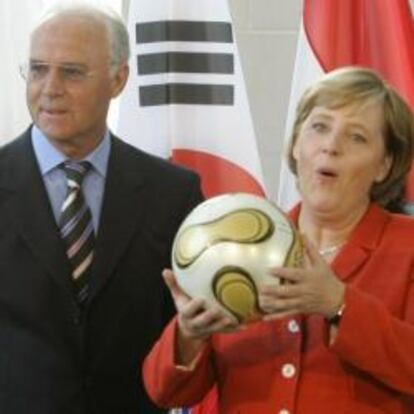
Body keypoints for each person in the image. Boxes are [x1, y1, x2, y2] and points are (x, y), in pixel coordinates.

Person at [143, 67, 414, 413]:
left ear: (384, 166)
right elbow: (164, 392)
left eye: (357, 137)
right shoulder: (236, 244)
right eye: (319, 127)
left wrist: (340, 305)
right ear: (297, 144)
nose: (331, 146)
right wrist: (189, 334)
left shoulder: (406, 248)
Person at [0, 4, 203, 414]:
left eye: (71, 72)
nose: (50, 88)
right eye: (38, 69)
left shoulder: (173, 193)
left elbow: (185, 327)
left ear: (118, 79)